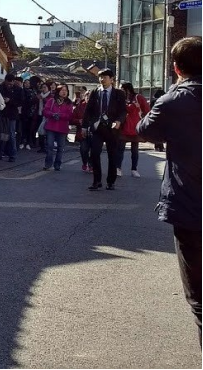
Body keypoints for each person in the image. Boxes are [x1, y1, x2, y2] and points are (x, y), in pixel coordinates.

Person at [137, 36, 202, 350]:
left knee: (201, 300)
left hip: (191, 208)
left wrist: (174, 91)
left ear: (176, 68)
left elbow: (145, 130)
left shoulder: (174, 101)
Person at [82, 69, 127, 191]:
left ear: (111, 79)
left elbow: (123, 111)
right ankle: (96, 181)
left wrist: (119, 121)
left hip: (112, 129)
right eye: (100, 77)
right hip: (97, 128)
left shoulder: (119, 94)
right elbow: (88, 110)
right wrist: (85, 126)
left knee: (112, 156)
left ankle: (111, 182)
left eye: (105, 77)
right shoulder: (95, 92)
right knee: (95, 153)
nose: (102, 79)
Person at [117, 82, 150, 178]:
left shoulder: (138, 97)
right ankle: (118, 168)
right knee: (120, 149)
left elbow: (147, 110)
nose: (120, 90)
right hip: (123, 126)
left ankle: (134, 169)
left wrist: (144, 122)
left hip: (135, 126)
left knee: (134, 150)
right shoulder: (120, 99)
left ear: (127, 89)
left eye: (121, 89)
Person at [42, 84, 74, 171]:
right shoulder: (51, 101)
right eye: (62, 90)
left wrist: (60, 115)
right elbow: (45, 111)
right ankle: (48, 163)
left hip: (62, 127)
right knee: (49, 145)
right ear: (58, 91)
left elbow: (70, 115)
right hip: (51, 126)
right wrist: (52, 114)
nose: (64, 92)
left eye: (66, 90)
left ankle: (57, 164)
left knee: (60, 147)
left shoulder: (69, 103)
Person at [0, 74, 24, 162]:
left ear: (13, 82)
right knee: (1, 134)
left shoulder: (18, 90)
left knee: (11, 134)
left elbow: (21, 102)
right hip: (1, 113)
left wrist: (10, 101)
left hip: (12, 114)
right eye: (7, 83)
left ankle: (12, 154)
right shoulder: (0, 88)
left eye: (11, 83)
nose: (9, 85)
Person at [72, 87, 91, 172]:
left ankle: (91, 164)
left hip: (95, 132)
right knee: (84, 149)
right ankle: (85, 163)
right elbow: (72, 119)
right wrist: (78, 121)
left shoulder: (99, 107)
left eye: (91, 96)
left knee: (94, 150)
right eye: (87, 96)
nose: (89, 98)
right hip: (82, 132)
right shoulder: (79, 107)